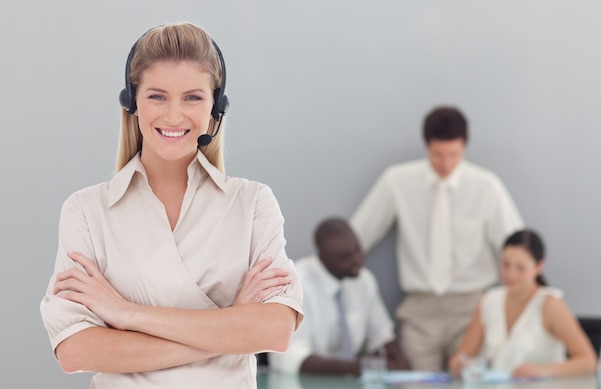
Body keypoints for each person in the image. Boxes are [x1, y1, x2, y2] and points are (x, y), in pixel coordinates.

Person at [40, 22, 303, 388]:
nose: (174, 116)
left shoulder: (252, 203)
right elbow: (76, 351)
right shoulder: (86, 211)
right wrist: (232, 328)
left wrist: (125, 313)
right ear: (132, 103)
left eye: (193, 97)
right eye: (157, 96)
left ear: (216, 107)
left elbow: (275, 331)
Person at [350, 106, 524, 371]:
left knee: (470, 384)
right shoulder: (397, 181)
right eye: (437, 154)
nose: (445, 164)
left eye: (454, 155)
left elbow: (517, 248)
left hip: (472, 310)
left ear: (464, 147)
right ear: (426, 146)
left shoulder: (487, 186)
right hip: (419, 312)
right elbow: (356, 236)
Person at [268, 217, 410, 375]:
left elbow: (381, 336)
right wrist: (358, 368)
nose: (357, 261)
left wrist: (398, 363)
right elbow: (292, 358)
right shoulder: (296, 284)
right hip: (304, 381)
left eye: (357, 251)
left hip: (349, 379)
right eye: (345, 258)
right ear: (323, 259)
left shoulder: (362, 279)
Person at [448, 229, 597, 378]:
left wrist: (544, 370)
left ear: (538, 266)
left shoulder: (549, 306)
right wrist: (459, 363)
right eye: (505, 265)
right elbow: (465, 353)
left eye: (520, 268)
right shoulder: (489, 301)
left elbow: (588, 362)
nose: (511, 274)